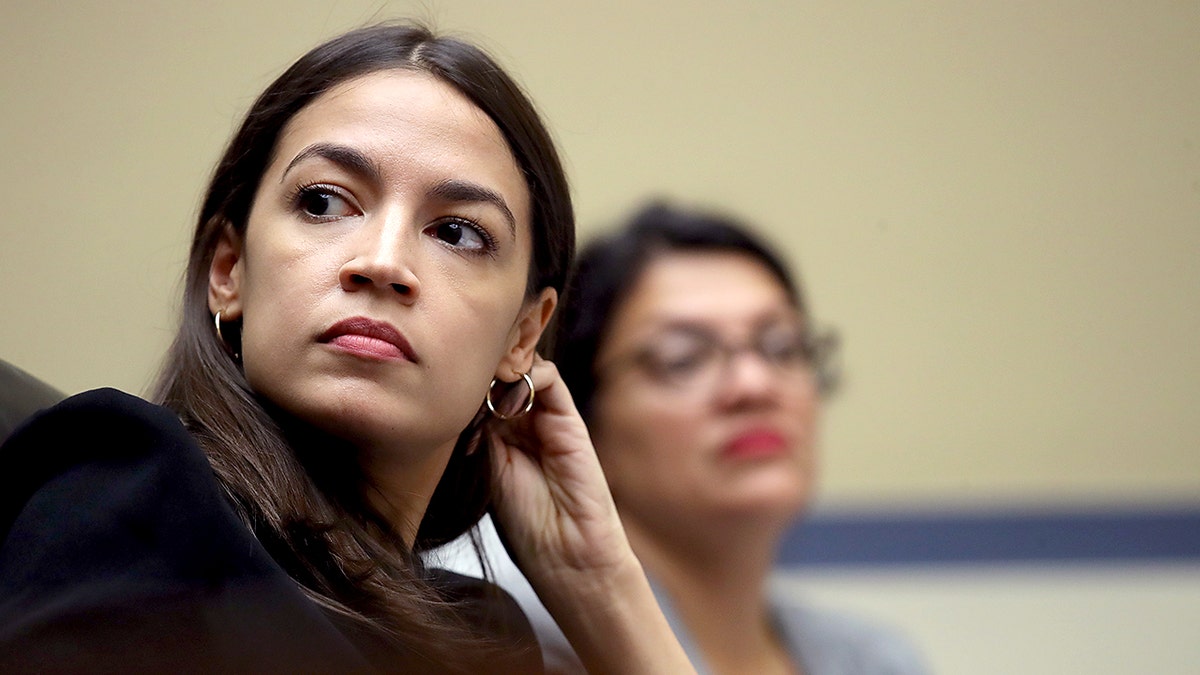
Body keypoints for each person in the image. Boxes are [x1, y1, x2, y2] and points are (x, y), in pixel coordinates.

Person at [0, 23, 694, 675]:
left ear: (521, 337)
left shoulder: (485, 632)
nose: (383, 261)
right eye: (326, 202)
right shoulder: (133, 485)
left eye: (456, 232)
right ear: (228, 270)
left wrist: (602, 589)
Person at [435, 201, 929, 674]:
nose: (754, 386)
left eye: (781, 347)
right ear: (576, 417)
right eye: (683, 359)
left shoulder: (872, 658)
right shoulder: (510, 644)